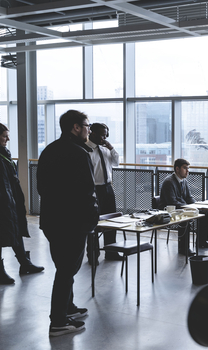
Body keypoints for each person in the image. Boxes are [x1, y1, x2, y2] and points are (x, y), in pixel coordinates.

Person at [37, 110, 99, 337]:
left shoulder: (49, 150)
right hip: (73, 223)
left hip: (53, 221)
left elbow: (41, 189)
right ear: (75, 127)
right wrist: (92, 220)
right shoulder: (78, 153)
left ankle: (68, 308)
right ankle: (59, 322)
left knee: (65, 267)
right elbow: (87, 192)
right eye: (87, 125)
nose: (89, 130)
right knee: (66, 270)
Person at [0, 123, 44, 285]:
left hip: (11, 201)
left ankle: (25, 263)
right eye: (5, 136)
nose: (8, 139)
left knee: (15, 231)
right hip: (4, 203)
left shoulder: (4, 154)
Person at [157, 158, 208, 256]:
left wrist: (198, 206)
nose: (187, 171)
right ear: (177, 169)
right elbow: (172, 202)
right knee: (186, 216)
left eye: (188, 168)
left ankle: (201, 242)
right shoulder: (169, 182)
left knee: (206, 211)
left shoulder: (184, 181)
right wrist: (189, 207)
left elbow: (189, 198)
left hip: (181, 207)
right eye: (185, 168)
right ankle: (183, 248)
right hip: (169, 210)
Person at [85, 122, 122, 265]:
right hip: (94, 189)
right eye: (101, 135)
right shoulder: (86, 149)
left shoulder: (106, 149)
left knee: (111, 221)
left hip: (108, 188)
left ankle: (111, 251)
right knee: (94, 222)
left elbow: (117, 162)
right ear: (91, 133)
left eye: (105, 135)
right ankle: (93, 255)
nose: (103, 138)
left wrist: (111, 148)